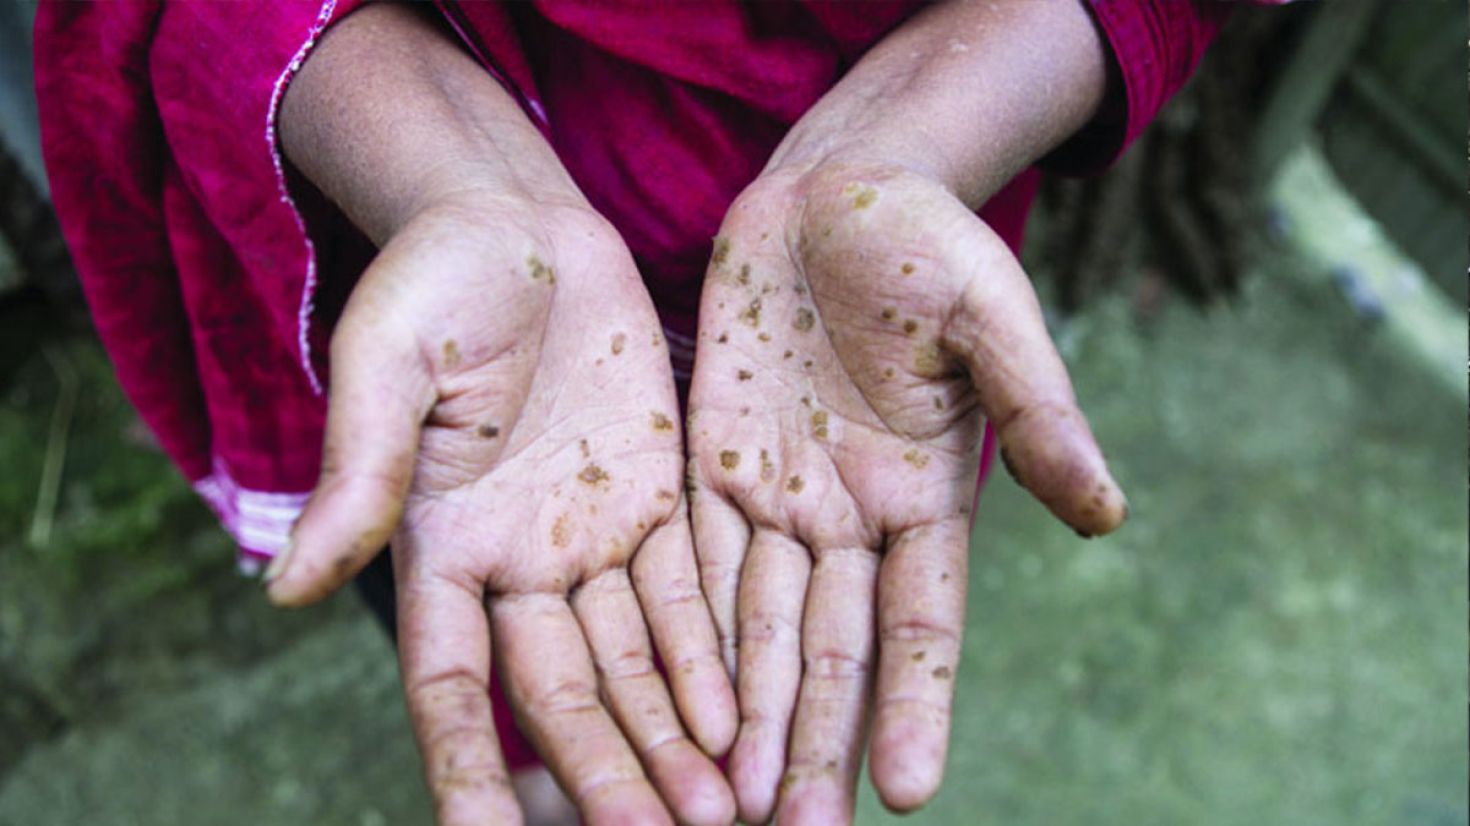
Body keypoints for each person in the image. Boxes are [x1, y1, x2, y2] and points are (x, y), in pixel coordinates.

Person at [34, 1, 1244, 823]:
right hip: (417, 269)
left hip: (847, 343)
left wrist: (908, 141)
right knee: (484, 598)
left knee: (783, 645)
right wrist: (449, 169)